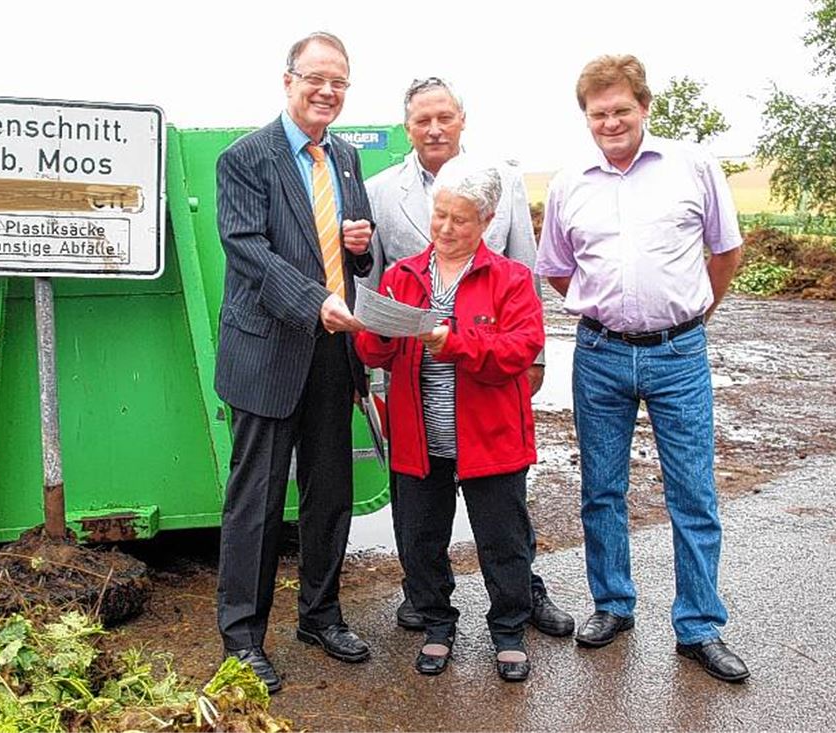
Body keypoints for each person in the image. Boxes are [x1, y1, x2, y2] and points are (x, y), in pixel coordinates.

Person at [535, 54, 749, 683]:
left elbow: (726, 250)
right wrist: (606, 308)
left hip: (679, 353)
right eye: (598, 113)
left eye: (621, 109)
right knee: (601, 489)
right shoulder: (571, 180)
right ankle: (612, 605)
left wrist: (692, 312)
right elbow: (555, 267)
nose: (611, 122)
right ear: (586, 117)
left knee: (692, 491)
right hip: (599, 354)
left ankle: (700, 626)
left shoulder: (693, 166)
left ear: (644, 107)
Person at [360, 76, 573, 638]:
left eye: (444, 117)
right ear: (406, 126)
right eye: (421, 120)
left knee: (502, 515)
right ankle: (429, 606)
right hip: (415, 386)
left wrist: (532, 366)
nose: (434, 128)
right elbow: (380, 285)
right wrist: (375, 356)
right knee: (420, 523)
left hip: (486, 374)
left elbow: (522, 274)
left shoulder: (501, 180)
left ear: (461, 120)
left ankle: (521, 599)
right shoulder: (380, 190)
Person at [213, 31, 375, 694]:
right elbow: (246, 248)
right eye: (316, 78)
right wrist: (314, 301)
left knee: (330, 490)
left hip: (334, 353)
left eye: (339, 81)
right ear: (288, 81)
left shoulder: (344, 157)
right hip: (267, 351)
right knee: (255, 499)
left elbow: (351, 247)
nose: (327, 91)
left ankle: (320, 614)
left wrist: (361, 248)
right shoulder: (244, 159)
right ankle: (242, 637)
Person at [356, 157, 545, 682]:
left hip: (491, 439)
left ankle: (509, 630)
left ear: (486, 222)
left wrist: (453, 342)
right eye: (439, 215)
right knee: (419, 540)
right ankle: (437, 624)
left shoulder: (510, 279)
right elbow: (374, 352)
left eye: (459, 220)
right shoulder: (402, 274)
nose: (444, 228)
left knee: (502, 541)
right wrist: (375, 328)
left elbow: (518, 350)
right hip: (420, 438)